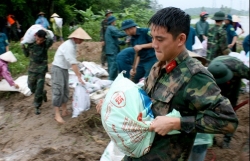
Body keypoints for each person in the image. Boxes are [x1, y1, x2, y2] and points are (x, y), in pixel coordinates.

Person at [96, 7, 238, 161]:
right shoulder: (158, 66)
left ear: (181, 39)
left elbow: (228, 121)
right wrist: (113, 106)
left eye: (160, 39)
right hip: (138, 151)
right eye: (153, 38)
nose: (154, 45)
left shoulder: (195, 76)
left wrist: (178, 123)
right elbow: (142, 99)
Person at [207, 55, 250, 148]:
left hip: (233, 81)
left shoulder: (239, 68)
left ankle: (227, 139)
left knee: (231, 109)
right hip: (215, 82)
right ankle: (211, 138)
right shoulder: (206, 74)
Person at [51, 27, 91, 123]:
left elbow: (74, 61)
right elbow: (73, 63)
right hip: (58, 68)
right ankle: (57, 114)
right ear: (75, 38)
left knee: (65, 89)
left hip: (64, 68)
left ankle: (64, 110)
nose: (82, 41)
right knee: (58, 90)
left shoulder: (73, 45)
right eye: (81, 39)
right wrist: (78, 76)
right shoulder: (69, 46)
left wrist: (79, 70)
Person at [22, 30, 53, 115]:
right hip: (32, 70)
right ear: (35, 36)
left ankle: (37, 105)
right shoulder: (31, 44)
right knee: (31, 87)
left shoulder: (45, 45)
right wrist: (23, 46)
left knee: (39, 88)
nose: (39, 42)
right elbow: (26, 55)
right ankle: (43, 93)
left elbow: (51, 39)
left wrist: (46, 32)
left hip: (41, 71)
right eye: (38, 39)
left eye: (41, 40)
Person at [104, 16, 127, 80]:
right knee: (113, 66)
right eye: (114, 21)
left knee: (111, 66)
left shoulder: (109, 29)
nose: (115, 22)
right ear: (112, 21)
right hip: (112, 50)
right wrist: (127, 32)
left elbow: (117, 41)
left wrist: (124, 42)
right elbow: (119, 34)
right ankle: (111, 80)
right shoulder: (111, 28)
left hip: (110, 50)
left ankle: (112, 79)